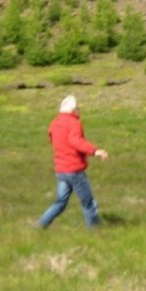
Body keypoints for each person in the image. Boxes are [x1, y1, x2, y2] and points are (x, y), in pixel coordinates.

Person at [37, 95, 108, 229]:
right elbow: (76, 141)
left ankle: (40, 225)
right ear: (74, 109)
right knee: (88, 202)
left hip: (61, 170)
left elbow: (53, 139)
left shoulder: (54, 123)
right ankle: (96, 232)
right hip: (74, 170)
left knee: (60, 202)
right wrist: (95, 151)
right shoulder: (74, 123)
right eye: (78, 108)